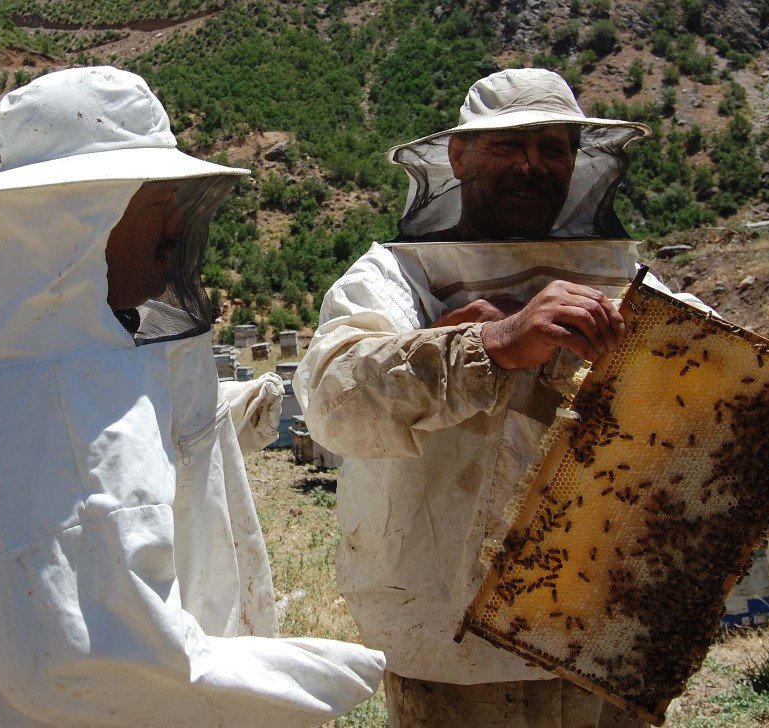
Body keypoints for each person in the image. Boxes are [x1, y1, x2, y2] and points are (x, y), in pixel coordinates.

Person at [0, 66, 384, 727]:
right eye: (159, 203)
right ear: (81, 216)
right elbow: (91, 662)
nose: (177, 228)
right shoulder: (47, 394)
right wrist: (340, 673)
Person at [294, 68, 709, 727]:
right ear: (457, 156)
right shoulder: (397, 276)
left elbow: (710, 391)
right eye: (508, 145)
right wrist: (489, 345)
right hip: (456, 647)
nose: (531, 165)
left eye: (553, 148)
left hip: (606, 633)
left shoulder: (618, 278)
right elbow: (332, 399)